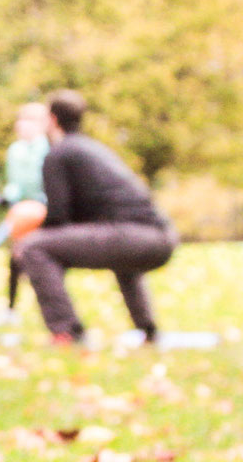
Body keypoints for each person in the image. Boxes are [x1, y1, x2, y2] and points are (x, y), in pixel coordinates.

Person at [11, 90, 176, 345]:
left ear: (52, 120)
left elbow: (58, 217)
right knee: (122, 257)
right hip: (159, 238)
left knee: (34, 247)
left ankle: (66, 332)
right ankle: (148, 330)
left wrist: (27, 232)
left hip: (133, 236)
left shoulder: (58, 155)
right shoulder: (91, 148)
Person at [0, 101, 50, 314]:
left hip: (43, 210)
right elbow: (15, 182)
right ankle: (11, 309)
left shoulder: (48, 149)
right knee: (16, 258)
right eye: (21, 121)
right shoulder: (15, 150)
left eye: (30, 121)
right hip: (22, 212)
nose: (23, 126)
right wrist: (10, 194)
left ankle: (47, 307)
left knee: (40, 259)